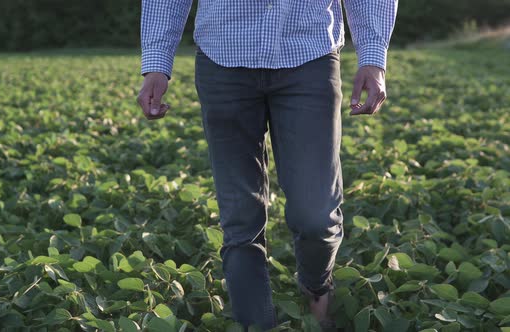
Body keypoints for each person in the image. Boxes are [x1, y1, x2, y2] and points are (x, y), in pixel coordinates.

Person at [137, 0, 397, 330]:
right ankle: (256, 324)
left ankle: (316, 286)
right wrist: (157, 63)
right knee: (240, 218)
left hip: (309, 56)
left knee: (317, 216)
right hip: (223, 59)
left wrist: (373, 57)